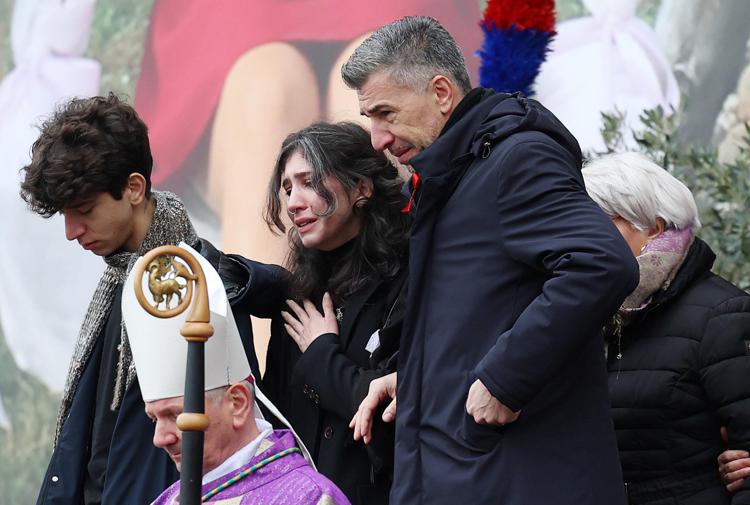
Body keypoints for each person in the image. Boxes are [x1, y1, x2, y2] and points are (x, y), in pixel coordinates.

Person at [343, 16, 640, 505]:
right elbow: (476, 322)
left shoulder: (515, 160)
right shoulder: (454, 177)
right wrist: (415, 376)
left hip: (513, 478)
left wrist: (507, 378)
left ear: (441, 92)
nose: (377, 138)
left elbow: (602, 263)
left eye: (385, 113)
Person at [19, 94, 280, 504]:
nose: (72, 231)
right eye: (65, 214)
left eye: (84, 210)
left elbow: (229, 442)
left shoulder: (201, 289)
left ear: (134, 188)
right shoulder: (119, 279)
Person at [121, 244, 350, 505]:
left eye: (176, 415)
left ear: (238, 403)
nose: (160, 438)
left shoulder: (309, 498)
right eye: (154, 419)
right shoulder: (167, 501)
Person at [581, 152, 750, 504]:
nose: (584, 239)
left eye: (598, 223)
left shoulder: (722, 314)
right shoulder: (590, 309)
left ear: (653, 227)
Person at [260, 122, 409, 504]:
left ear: (362, 187)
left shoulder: (408, 279)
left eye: (308, 182)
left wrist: (323, 355)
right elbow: (276, 424)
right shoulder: (298, 296)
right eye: (288, 187)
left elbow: (396, 419)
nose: (293, 202)